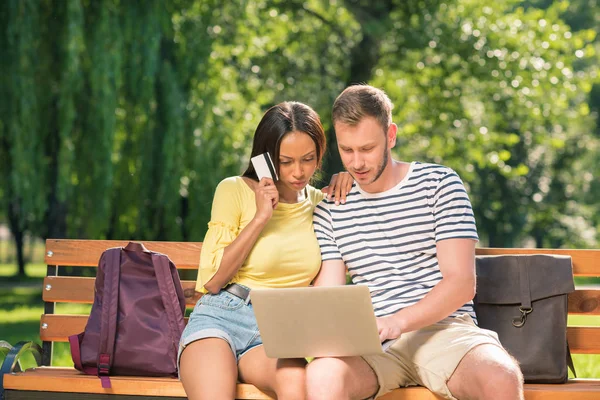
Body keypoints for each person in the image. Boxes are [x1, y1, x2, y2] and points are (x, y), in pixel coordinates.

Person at [307, 85, 524, 400]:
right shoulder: (331, 208)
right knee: (321, 375)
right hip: (372, 344)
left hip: (445, 332)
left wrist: (398, 322)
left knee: (500, 376)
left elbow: (461, 283)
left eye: (367, 148)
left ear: (391, 135)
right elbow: (330, 292)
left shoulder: (440, 185)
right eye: (347, 150)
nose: (357, 163)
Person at [178, 101, 352, 400]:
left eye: (308, 159)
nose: (299, 171)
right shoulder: (233, 189)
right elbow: (214, 281)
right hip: (222, 317)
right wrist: (260, 217)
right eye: (286, 161)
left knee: (296, 383)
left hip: (279, 331)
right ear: (267, 159)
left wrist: (350, 178)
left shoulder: (319, 204)